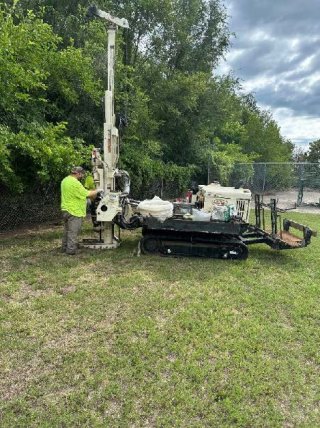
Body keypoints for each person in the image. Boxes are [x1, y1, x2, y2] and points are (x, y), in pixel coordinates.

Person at [61, 166, 99, 255]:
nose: (82, 176)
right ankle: (70, 251)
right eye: (82, 174)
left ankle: (64, 248)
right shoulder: (75, 183)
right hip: (74, 211)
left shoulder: (65, 180)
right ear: (78, 173)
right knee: (73, 232)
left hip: (66, 209)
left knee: (67, 231)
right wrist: (98, 190)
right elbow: (86, 193)